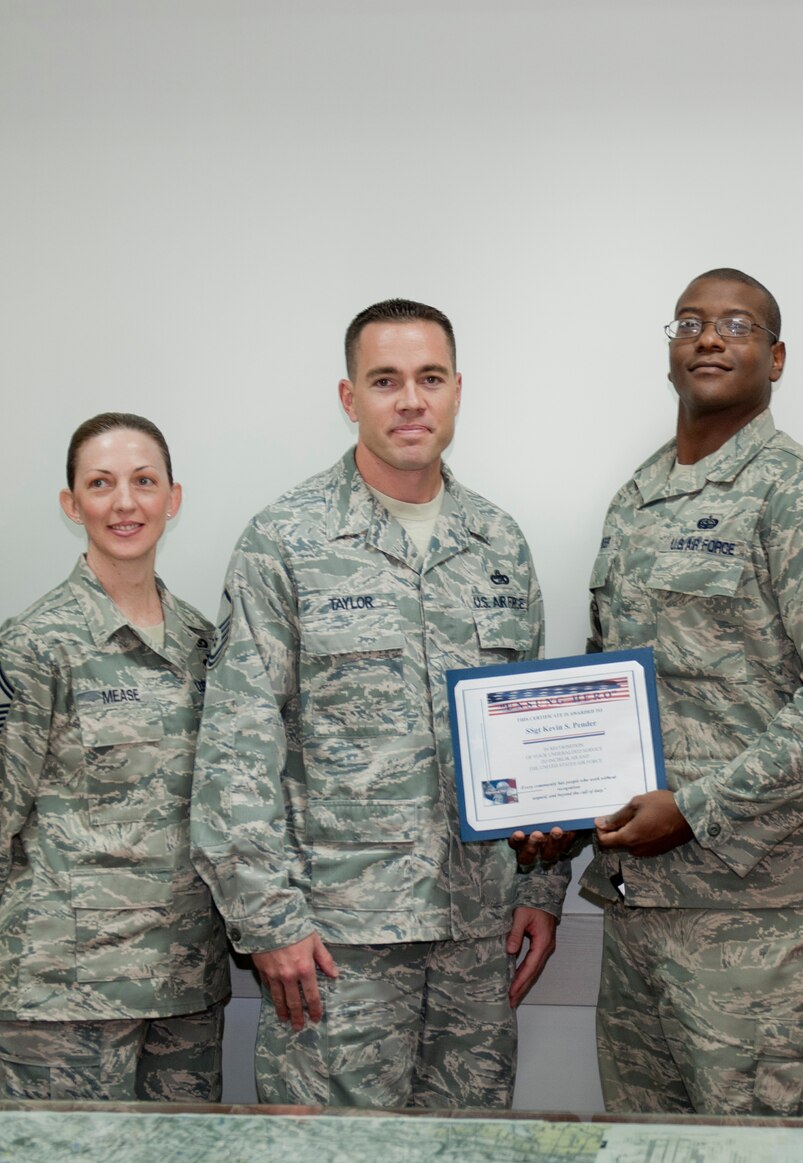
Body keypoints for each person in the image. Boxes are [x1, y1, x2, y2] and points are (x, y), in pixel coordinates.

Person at [191, 298, 566, 1108]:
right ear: (349, 396)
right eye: (386, 380)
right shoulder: (285, 540)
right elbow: (236, 750)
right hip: (337, 945)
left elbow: (537, 737)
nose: (410, 401)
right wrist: (269, 921)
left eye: (429, 378)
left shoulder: (499, 544)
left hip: (476, 935)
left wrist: (540, 890)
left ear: (457, 391)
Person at [549, 268, 803, 1117]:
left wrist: (700, 809)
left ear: (776, 359)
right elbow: (609, 687)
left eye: (737, 325)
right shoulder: (637, 500)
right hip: (641, 911)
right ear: (670, 352)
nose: (709, 338)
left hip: (765, 929)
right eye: (690, 323)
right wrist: (562, 801)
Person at [0, 414, 229, 1101]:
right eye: (101, 484)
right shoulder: (36, 646)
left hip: (183, 997)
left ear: (173, 498)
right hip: (61, 1006)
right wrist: (30, 954)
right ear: (72, 504)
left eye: (144, 481)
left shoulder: (203, 645)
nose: (125, 503)